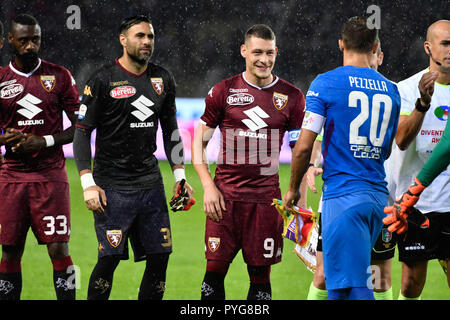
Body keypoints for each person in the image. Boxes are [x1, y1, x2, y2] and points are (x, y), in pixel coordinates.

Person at [73, 15, 193, 300]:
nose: (147, 42)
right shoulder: (102, 79)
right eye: (140, 36)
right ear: (123, 40)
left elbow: (171, 132)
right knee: (110, 259)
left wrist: (180, 177)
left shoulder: (163, 78)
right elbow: (81, 134)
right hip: (111, 185)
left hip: (150, 184)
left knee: (159, 257)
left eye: (150, 36)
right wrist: (88, 183)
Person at [283, 16, 401, 300]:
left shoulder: (326, 83)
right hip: (376, 197)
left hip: (343, 198)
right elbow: (386, 147)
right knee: (339, 285)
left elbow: (302, 146)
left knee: (356, 286)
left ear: (340, 44)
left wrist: (292, 189)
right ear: (374, 48)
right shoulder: (391, 89)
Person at [192, 24, 305, 300]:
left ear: (276, 52)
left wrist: (300, 187)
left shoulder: (292, 97)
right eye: (257, 52)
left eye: (269, 53)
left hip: (266, 203)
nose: (263, 59)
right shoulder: (224, 90)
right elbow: (198, 142)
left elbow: (302, 148)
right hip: (224, 200)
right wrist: (208, 186)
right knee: (213, 275)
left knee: (260, 280)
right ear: (244, 51)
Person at [0, 14, 80, 300]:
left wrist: (43, 140)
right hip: (11, 176)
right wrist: (2, 140)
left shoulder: (59, 75)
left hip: (50, 175)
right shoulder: (1, 79)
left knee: (59, 249)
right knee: (9, 249)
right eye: (23, 40)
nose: (31, 46)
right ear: (11, 40)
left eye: (35, 39)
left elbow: (81, 126)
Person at [381, 19, 450, 300]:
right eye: (445, 43)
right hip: (414, 205)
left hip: (448, 202)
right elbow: (401, 139)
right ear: (428, 47)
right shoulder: (405, 90)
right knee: (411, 286)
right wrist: (422, 103)